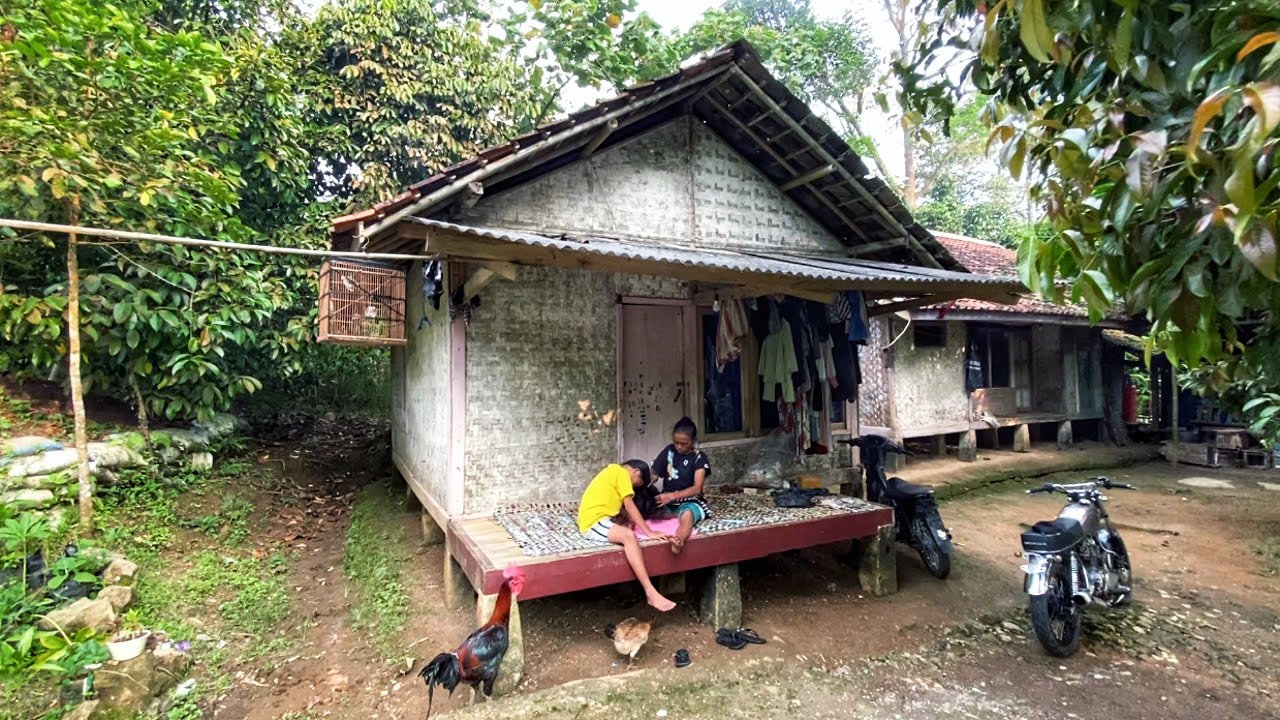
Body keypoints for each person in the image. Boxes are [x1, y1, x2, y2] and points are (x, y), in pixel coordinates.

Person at [576, 460, 677, 612]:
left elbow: (616, 505)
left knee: (627, 526)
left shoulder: (613, 471)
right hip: (592, 523)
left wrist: (624, 517)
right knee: (629, 536)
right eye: (638, 483)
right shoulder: (622, 473)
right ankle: (650, 592)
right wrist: (649, 532)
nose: (636, 487)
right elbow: (630, 505)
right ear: (636, 472)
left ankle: (650, 592)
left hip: (599, 518)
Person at [651, 417, 711, 556]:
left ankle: (679, 540)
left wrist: (672, 496)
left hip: (690, 501)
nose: (679, 447)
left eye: (684, 443)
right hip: (668, 501)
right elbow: (654, 473)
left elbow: (697, 488)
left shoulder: (699, 457)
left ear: (693, 441)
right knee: (649, 509)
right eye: (676, 442)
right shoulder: (669, 451)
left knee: (687, 516)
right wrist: (647, 479)